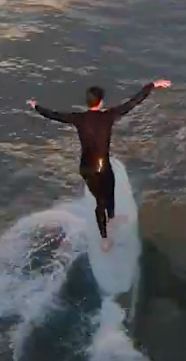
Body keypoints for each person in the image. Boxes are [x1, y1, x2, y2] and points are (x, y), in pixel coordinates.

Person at [29, 79, 172, 251]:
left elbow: (53, 114)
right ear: (101, 101)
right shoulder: (108, 116)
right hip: (101, 167)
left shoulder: (78, 118)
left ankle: (110, 222)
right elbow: (133, 102)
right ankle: (105, 237)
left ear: (87, 102)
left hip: (86, 168)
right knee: (105, 199)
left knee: (103, 197)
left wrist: (35, 105)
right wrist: (152, 85)